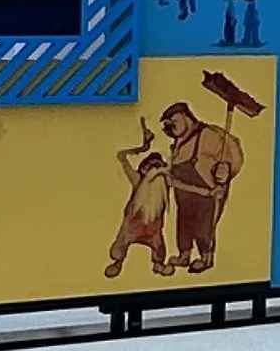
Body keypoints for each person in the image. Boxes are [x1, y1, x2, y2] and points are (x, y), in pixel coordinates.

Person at [161, 70, 265, 273]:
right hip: (184, 192)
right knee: (184, 223)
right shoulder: (178, 142)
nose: (172, 127)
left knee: (204, 226)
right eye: (169, 124)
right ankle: (184, 255)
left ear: (186, 117)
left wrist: (227, 170)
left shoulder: (209, 134)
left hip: (207, 192)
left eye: (174, 121)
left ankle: (206, 258)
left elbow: (233, 154)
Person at [104, 124, 173, 279]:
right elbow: (121, 156)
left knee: (158, 243)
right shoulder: (138, 181)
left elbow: (175, 165)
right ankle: (118, 262)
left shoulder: (165, 182)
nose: (155, 169)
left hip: (153, 229)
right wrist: (142, 148)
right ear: (144, 169)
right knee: (123, 239)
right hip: (133, 226)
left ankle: (158, 264)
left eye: (158, 166)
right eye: (151, 166)